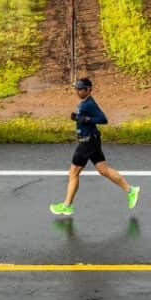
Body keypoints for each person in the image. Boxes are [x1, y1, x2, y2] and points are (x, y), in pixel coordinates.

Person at [50, 77, 139, 217]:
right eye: (77, 89)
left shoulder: (90, 104)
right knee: (104, 170)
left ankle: (67, 205)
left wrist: (86, 119)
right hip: (91, 140)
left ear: (89, 90)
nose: (78, 91)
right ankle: (131, 190)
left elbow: (103, 119)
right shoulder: (84, 103)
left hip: (87, 142)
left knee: (73, 173)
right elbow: (84, 119)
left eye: (81, 89)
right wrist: (78, 119)